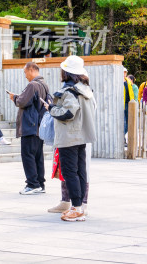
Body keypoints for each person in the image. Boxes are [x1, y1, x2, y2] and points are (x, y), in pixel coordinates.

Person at [48, 56, 97, 222]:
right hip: (81, 136)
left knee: (70, 172)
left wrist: (52, 108)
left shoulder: (70, 91)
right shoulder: (85, 89)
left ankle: (75, 208)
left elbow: (68, 113)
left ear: (66, 72)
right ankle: (80, 207)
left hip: (68, 136)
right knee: (80, 171)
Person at [9, 62, 49, 195]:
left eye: (25, 72)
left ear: (31, 70)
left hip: (30, 126)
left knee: (28, 155)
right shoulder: (44, 84)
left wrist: (14, 97)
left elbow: (22, 101)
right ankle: (40, 184)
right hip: (39, 126)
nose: (25, 76)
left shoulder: (33, 85)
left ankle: (32, 184)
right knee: (38, 156)